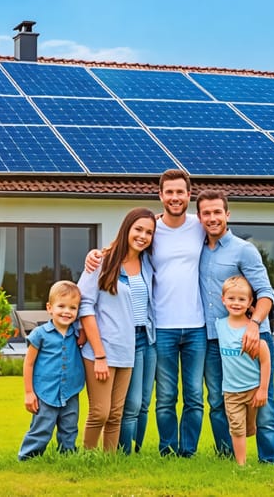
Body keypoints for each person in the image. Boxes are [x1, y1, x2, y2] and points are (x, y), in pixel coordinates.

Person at [86, 169, 211, 457]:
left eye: (180, 192)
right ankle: (158, 451)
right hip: (160, 329)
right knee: (161, 398)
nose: (175, 197)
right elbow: (126, 245)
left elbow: (223, 242)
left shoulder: (199, 225)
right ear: (160, 195)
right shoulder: (151, 227)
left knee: (193, 396)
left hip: (195, 326)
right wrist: (97, 254)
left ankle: (187, 452)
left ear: (189, 195)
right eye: (169, 192)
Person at [197, 188, 274, 464]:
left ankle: (269, 460)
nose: (212, 218)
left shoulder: (244, 250)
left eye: (217, 212)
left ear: (227, 214)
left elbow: (266, 293)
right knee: (219, 402)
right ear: (199, 217)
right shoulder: (196, 247)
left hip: (251, 337)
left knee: (263, 403)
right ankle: (229, 457)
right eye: (206, 213)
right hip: (214, 339)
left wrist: (255, 324)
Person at [77, 207, 156, 452]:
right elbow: (85, 305)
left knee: (116, 413)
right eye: (138, 229)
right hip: (102, 348)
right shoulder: (102, 261)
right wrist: (99, 354)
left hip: (130, 346)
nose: (143, 236)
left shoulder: (147, 264)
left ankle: (109, 462)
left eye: (149, 232)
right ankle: (88, 458)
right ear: (126, 229)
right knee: (99, 412)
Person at [18, 281, 85, 461]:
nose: (67, 311)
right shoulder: (40, 334)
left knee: (70, 427)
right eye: (61, 306)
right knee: (42, 427)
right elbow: (28, 364)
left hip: (70, 390)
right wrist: (29, 393)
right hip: (45, 391)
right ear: (49, 308)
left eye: (73, 307)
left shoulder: (77, 334)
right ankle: (28, 458)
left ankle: (67, 457)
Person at [215, 275, 271, 466]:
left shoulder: (252, 330)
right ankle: (241, 464)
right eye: (231, 298)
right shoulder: (219, 325)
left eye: (241, 299)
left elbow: (265, 360)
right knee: (237, 428)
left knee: (250, 428)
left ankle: (261, 450)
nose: (236, 303)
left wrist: (263, 389)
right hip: (230, 391)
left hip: (253, 390)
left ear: (249, 303)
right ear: (223, 300)